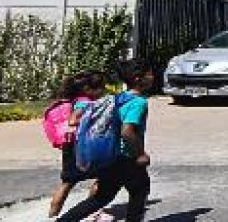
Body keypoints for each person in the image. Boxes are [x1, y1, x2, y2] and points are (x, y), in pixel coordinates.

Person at [58, 60, 155, 222]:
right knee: (140, 191)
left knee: (101, 197)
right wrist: (140, 154)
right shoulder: (138, 102)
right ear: (138, 78)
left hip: (111, 156)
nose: (152, 77)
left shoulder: (118, 98)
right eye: (149, 74)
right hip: (127, 157)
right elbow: (127, 131)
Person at [48, 72, 106, 218]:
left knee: (67, 183)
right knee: (103, 177)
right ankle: (90, 211)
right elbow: (73, 121)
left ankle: (52, 216)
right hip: (84, 145)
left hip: (70, 143)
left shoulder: (75, 101)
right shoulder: (86, 103)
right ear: (88, 89)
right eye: (101, 87)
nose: (103, 90)